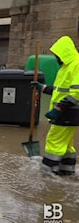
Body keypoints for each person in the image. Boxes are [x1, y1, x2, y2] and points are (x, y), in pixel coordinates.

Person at [31, 35, 79, 176]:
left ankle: (47, 176)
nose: (56, 58)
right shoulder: (66, 67)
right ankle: (66, 172)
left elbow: (77, 92)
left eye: (57, 55)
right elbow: (60, 90)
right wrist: (42, 87)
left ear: (64, 52)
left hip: (67, 113)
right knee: (66, 144)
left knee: (54, 142)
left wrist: (58, 109)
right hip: (70, 113)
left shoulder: (76, 65)